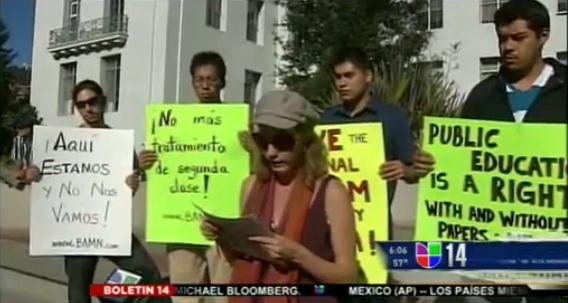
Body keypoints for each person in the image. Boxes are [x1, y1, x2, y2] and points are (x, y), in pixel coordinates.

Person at [450, 1, 566, 303]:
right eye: (502, 38)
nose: (508, 47)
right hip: (493, 253)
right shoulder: (482, 96)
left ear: (543, 36)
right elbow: (463, 162)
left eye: (518, 38)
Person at [202, 90, 358, 303]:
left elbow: (347, 275)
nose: (271, 152)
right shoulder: (251, 186)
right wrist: (223, 237)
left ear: (304, 140)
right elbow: (239, 259)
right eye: (262, 142)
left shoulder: (331, 192)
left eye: (282, 141)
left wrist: (298, 256)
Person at [138, 51, 232, 303]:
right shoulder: (174, 125)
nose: (205, 85)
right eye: (199, 79)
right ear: (192, 83)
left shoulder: (238, 123)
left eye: (211, 79)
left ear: (222, 82)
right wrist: (145, 163)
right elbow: (162, 168)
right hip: (182, 225)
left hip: (224, 227)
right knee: (186, 296)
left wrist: (251, 148)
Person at [63, 80, 166, 303]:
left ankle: (108, 294)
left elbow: (126, 191)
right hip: (77, 229)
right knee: (79, 293)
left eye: (92, 102)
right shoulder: (66, 143)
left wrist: (133, 181)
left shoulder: (120, 142)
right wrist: (34, 172)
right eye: (81, 105)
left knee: (145, 271)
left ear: (103, 102)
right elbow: (52, 178)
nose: (88, 109)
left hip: (110, 225)